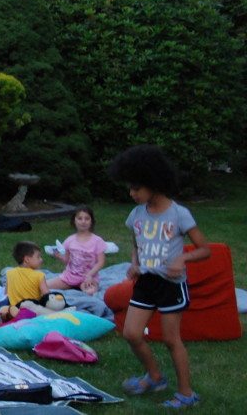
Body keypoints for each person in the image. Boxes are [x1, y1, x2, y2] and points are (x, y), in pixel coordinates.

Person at [109, 145, 210, 410]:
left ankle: (187, 393)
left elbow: (204, 249)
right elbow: (136, 242)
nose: (131, 194)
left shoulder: (179, 214)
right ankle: (155, 377)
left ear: (154, 183)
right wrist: (134, 262)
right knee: (131, 333)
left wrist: (183, 258)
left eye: (136, 188)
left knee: (170, 339)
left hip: (170, 285)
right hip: (146, 283)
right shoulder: (137, 214)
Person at [47, 206, 107, 295]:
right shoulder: (69, 240)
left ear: (91, 221)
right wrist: (59, 256)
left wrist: (90, 275)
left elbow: (101, 262)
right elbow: (67, 261)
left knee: (90, 292)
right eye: (80, 218)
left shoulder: (97, 241)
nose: (83, 221)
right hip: (70, 277)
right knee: (44, 285)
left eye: (87, 219)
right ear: (74, 221)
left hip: (89, 277)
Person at [0, 241, 49, 318]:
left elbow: (6, 294)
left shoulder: (9, 273)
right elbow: (47, 296)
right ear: (27, 259)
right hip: (33, 310)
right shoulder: (39, 275)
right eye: (38, 257)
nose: (41, 260)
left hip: (14, 310)